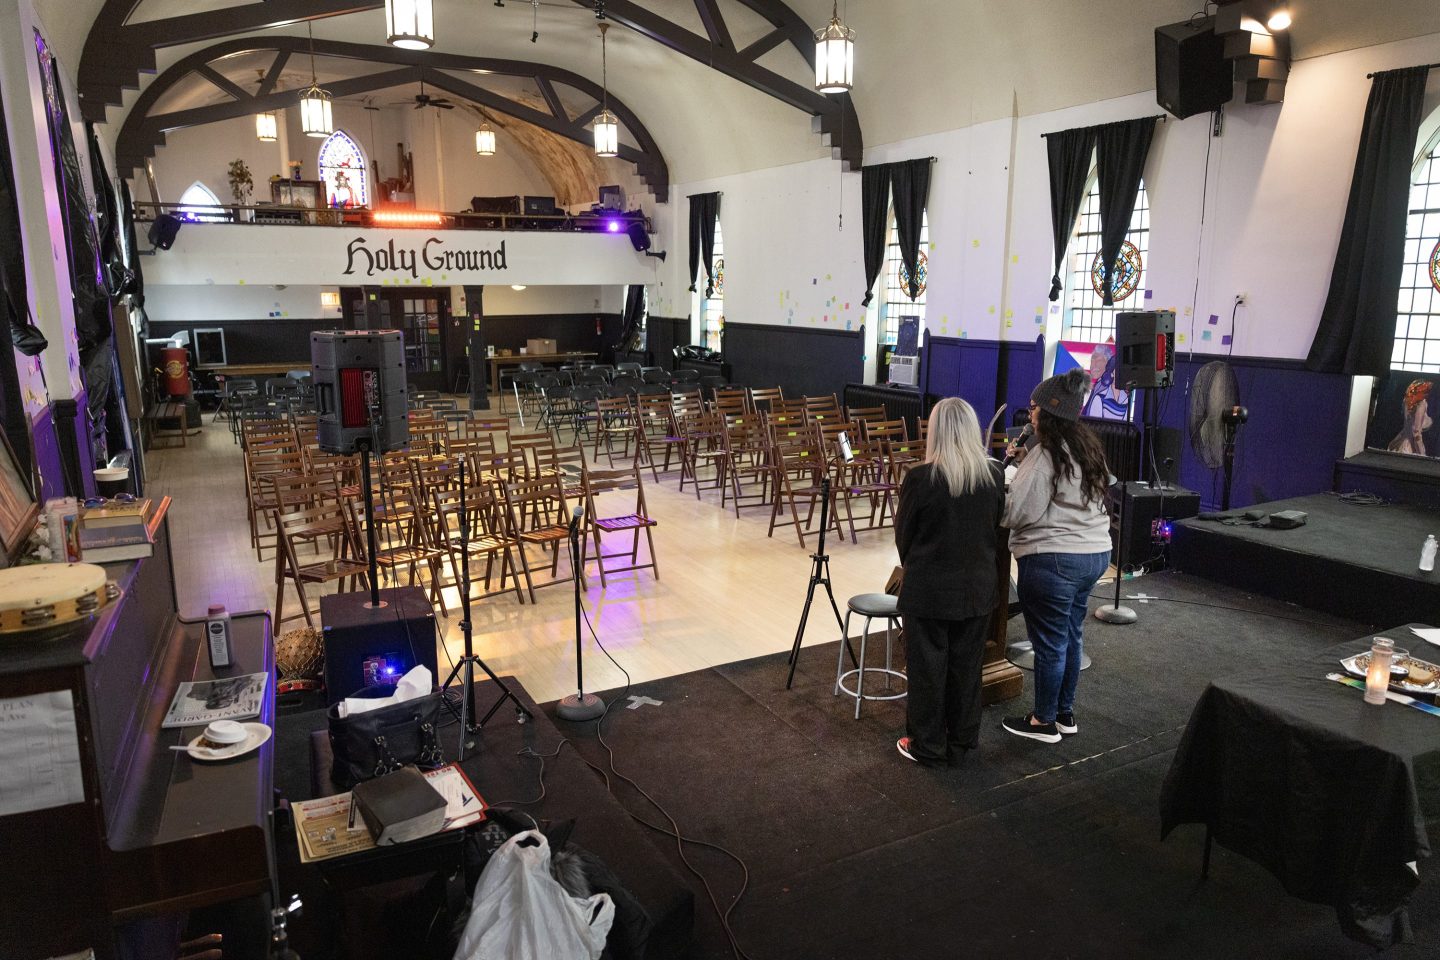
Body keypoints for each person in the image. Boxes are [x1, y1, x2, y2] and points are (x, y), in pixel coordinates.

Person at [1001, 368, 1113, 744]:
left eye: (1033, 407)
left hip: (1055, 561)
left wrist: (1009, 484)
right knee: (1071, 635)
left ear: (1047, 413)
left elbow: (1020, 512)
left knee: (1049, 643)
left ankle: (1043, 722)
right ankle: (1064, 713)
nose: (1029, 413)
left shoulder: (1045, 455)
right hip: (1094, 555)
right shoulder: (1086, 448)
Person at [893, 397, 1005, 766]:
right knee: (967, 670)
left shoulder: (920, 478)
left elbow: (904, 538)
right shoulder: (993, 475)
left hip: (929, 590)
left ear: (936, 432)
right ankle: (962, 743)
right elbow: (994, 528)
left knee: (927, 671)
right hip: (977, 589)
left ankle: (927, 745)